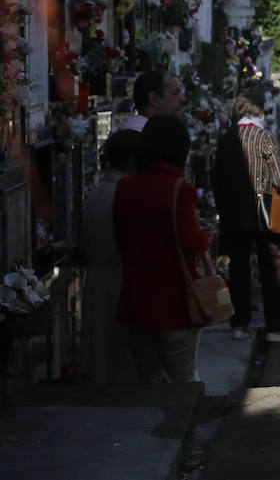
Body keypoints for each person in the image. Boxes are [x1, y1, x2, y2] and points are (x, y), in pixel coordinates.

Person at [111, 115, 208, 383]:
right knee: (182, 379)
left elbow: (121, 240)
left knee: (147, 382)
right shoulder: (180, 189)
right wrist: (205, 236)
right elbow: (193, 243)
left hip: (137, 300)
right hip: (175, 300)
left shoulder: (125, 187)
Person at [213, 90, 280, 343]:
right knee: (273, 265)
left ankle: (239, 324)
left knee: (238, 267)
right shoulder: (263, 137)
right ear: (259, 111)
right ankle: (276, 327)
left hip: (234, 213)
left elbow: (217, 178)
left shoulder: (226, 139)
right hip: (266, 211)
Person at [80, 129, 140, 383]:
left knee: (102, 350)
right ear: (132, 160)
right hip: (116, 277)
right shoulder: (122, 192)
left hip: (98, 279)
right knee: (118, 355)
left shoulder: (98, 191)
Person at [115, 69, 185, 133]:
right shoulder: (137, 138)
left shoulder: (149, 134)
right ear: (154, 98)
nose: (182, 99)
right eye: (175, 93)